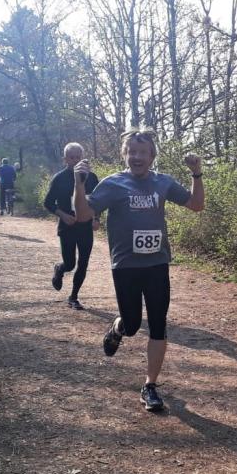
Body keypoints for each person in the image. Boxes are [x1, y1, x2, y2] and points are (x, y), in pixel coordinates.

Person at [72, 129, 204, 411]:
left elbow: (196, 205)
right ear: (125, 155)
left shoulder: (163, 182)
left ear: (152, 156)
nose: (137, 157)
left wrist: (196, 174)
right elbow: (82, 215)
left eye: (143, 152)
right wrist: (79, 184)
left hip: (157, 263)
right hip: (126, 265)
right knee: (132, 325)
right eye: (132, 152)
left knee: (158, 323)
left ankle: (150, 386)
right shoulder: (113, 184)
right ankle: (118, 328)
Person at [44, 143, 100, 309]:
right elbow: (48, 203)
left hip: (85, 226)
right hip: (67, 226)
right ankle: (60, 268)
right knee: (70, 264)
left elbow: (98, 201)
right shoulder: (59, 178)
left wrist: (96, 218)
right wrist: (62, 215)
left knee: (83, 263)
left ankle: (73, 297)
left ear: (83, 158)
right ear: (65, 159)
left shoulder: (92, 178)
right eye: (71, 157)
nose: (75, 160)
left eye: (78, 157)